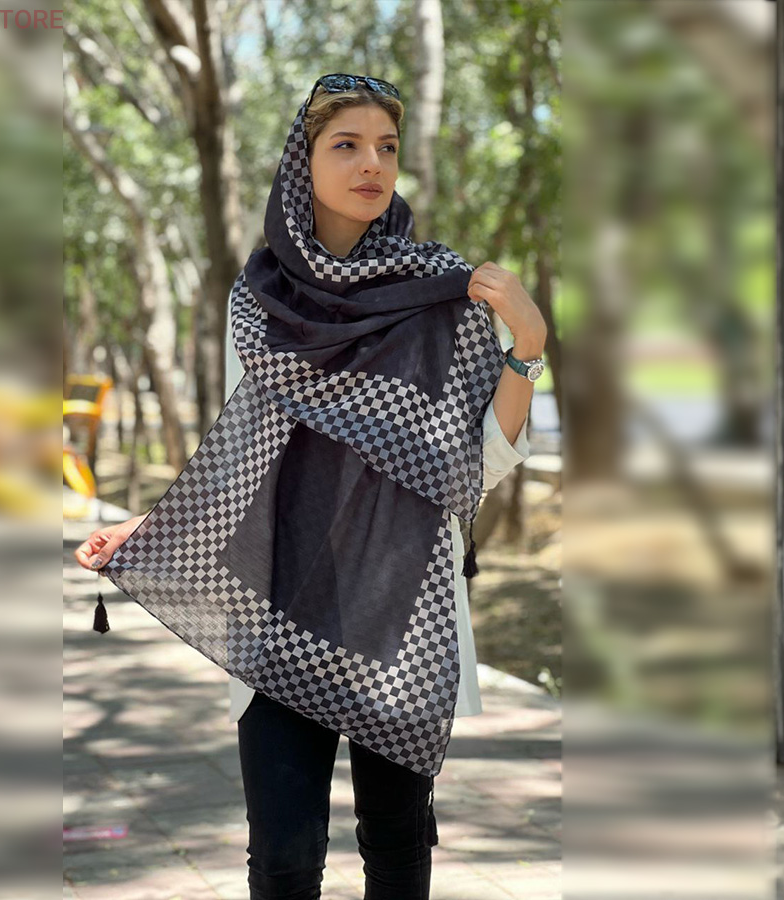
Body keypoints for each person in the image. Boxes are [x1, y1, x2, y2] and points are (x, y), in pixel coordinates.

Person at [75, 74, 547, 900]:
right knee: (285, 856)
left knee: (396, 846)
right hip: (280, 600)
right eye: (347, 145)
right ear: (304, 161)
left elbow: (481, 463)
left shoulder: (441, 293)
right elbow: (243, 446)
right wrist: (152, 527)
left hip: (398, 607)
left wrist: (528, 347)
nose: (373, 164)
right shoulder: (261, 300)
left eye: (387, 147)